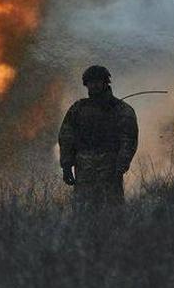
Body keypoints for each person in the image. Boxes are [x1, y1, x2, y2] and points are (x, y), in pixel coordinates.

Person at [58, 65, 139, 206]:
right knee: (83, 212)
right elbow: (66, 137)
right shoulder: (78, 108)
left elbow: (128, 140)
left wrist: (121, 167)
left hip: (110, 169)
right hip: (84, 169)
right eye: (90, 82)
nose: (93, 86)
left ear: (105, 83)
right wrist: (66, 166)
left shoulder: (121, 110)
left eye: (97, 82)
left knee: (112, 212)